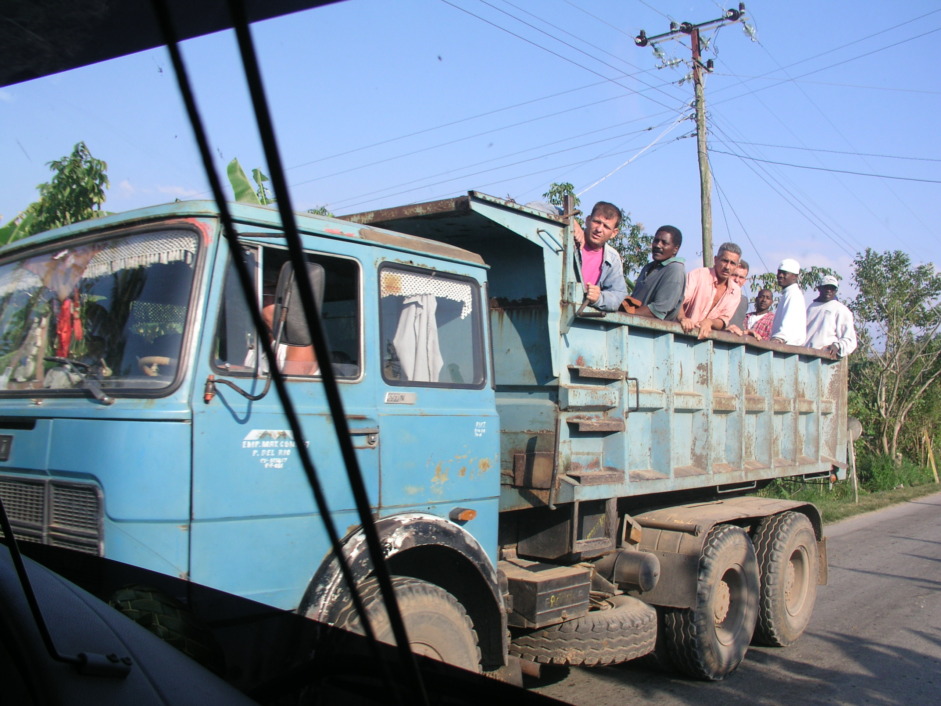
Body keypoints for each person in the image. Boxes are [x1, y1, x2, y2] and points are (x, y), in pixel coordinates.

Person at [677, 242, 742, 339]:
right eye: (724, 261)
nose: (727, 267)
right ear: (716, 260)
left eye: (732, 263)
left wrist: (709, 322)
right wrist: (683, 318)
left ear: (737, 266)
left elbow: (723, 320)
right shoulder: (698, 275)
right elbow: (678, 300)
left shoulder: (735, 291)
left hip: (707, 342)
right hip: (681, 334)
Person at [572, 202, 629, 312]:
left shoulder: (612, 258)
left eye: (606, 227)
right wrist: (572, 221)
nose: (599, 229)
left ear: (614, 233)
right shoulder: (570, 239)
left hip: (582, 316)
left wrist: (599, 298)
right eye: (597, 222)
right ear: (588, 220)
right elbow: (533, 206)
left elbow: (618, 296)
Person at [629, 225, 685, 321]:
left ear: (675, 249)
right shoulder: (648, 267)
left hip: (654, 333)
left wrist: (628, 313)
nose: (658, 245)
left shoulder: (675, 269)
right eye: (656, 240)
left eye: (664, 243)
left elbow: (658, 310)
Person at [805, 274, 857, 358]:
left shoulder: (841, 309)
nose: (829, 290)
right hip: (805, 356)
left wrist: (837, 346)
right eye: (826, 287)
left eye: (832, 288)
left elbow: (850, 340)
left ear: (835, 291)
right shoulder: (811, 307)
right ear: (819, 289)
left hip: (826, 358)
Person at [769, 258, 806, 345]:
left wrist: (779, 338)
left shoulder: (794, 294)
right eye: (779, 272)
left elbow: (788, 322)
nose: (780, 276)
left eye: (785, 273)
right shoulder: (787, 293)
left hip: (787, 347)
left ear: (795, 276)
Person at [726, 260, 750, 334]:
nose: (736, 280)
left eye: (741, 277)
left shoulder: (744, 301)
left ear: (744, 281)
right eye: (734, 275)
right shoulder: (716, 294)